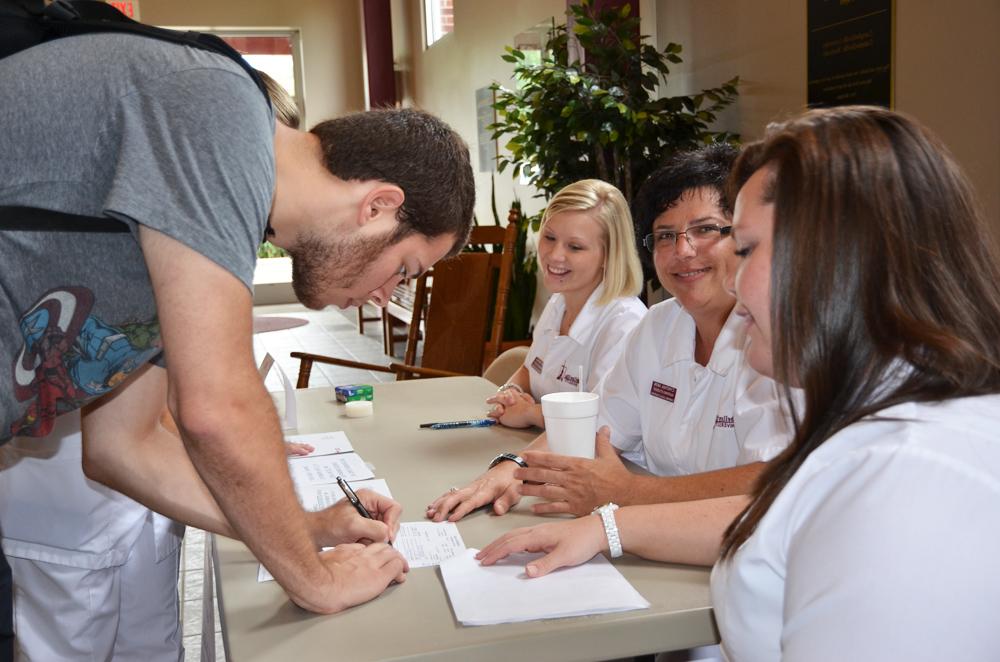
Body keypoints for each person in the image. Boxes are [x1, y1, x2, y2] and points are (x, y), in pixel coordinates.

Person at [476, 106, 1000, 660]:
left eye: (741, 248)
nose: (729, 276)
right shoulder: (874, 419)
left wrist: (621, 508)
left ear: (841, 258)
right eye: (668, 236)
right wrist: (609, 526)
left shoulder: (911, 477)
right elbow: (780, 516)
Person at [0, 28, 474, 635]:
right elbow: (215, 408)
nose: (386, 293)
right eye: (403, 268)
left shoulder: (196, 222)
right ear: (378, 205)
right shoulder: (215, 106)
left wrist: (303, 528)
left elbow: (125, 447)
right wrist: (316, 577)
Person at [0, 69, 311, 662]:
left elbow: (171, 387)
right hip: (63, 508)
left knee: (151, 642)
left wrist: (246, 457)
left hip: (140, 503)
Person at [428, 144, 792, 523]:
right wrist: (509, 469)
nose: (683, 250)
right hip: (649, 533)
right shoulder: (658, 327)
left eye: (704, 230)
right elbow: (600, 428)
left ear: (748, 236)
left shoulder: (777, 340)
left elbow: (772, 480)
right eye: (665, 235)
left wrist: (630, 495)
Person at [485, 179, 646, 429]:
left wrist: (529, 413)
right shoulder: (559, 302)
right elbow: (531, 369)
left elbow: (602, 421)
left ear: (609, 255)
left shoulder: (626, 325)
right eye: (549, 237)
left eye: (575, 246)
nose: (555, 255)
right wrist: (511, 392)